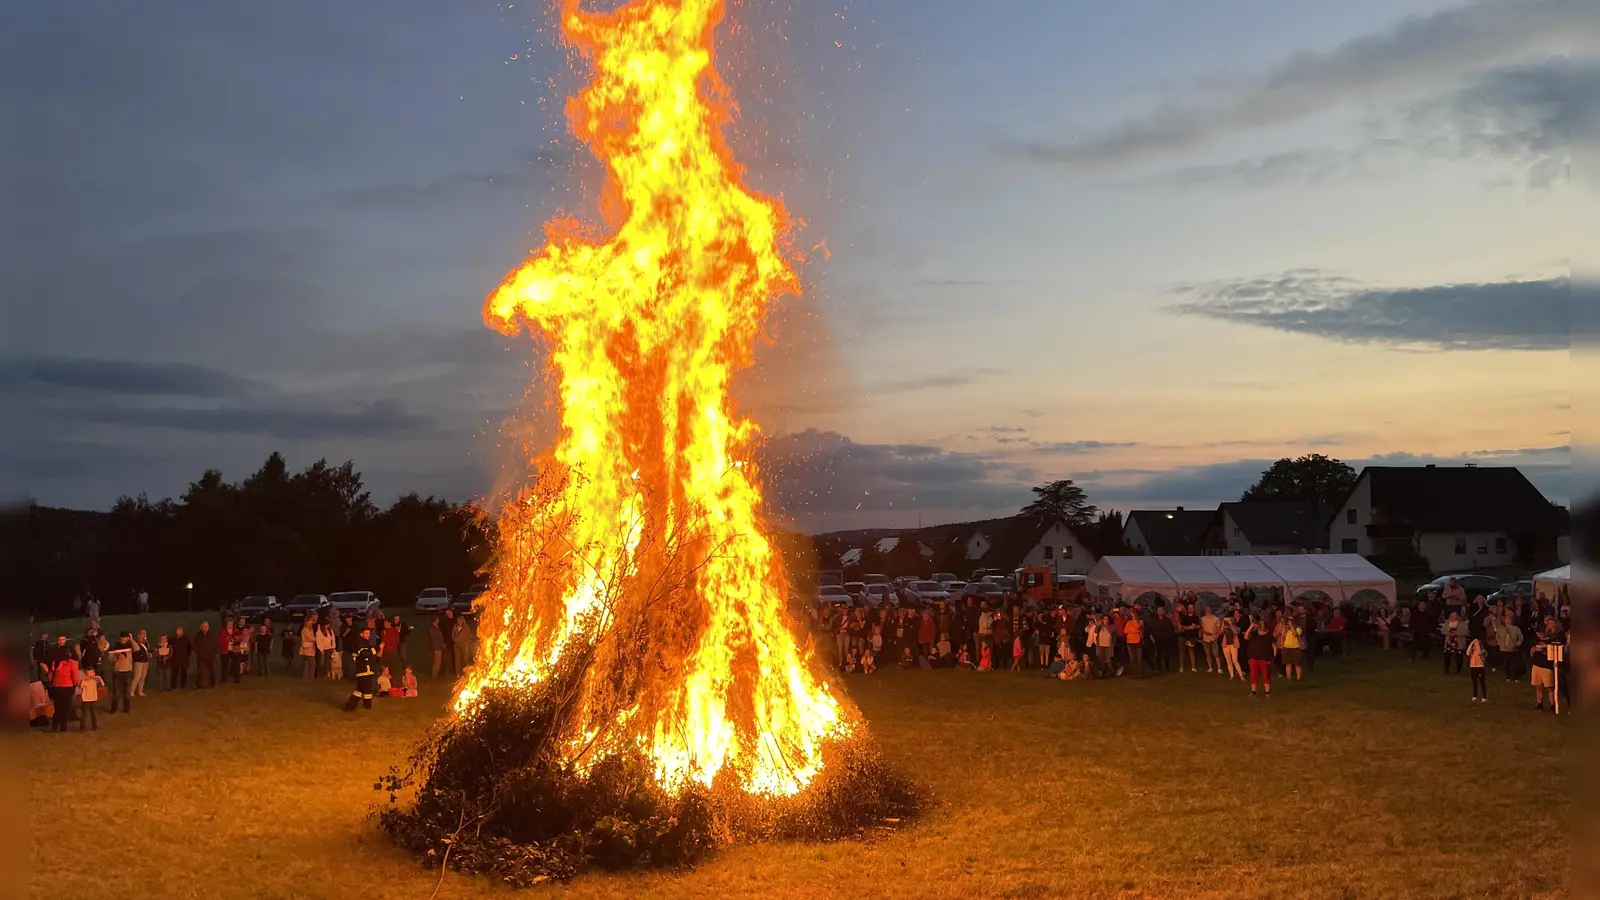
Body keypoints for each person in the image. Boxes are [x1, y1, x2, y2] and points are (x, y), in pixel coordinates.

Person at [344, 628, 381, 713]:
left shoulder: (365, 643)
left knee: (360, 690)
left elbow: (369, 654)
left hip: (365, 671)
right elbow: (365, 654)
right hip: (362, 671)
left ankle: (350, 707)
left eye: (369, 633)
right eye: (366, 633)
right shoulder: (359, 644)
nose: (368, 635)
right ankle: (367, 708)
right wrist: (376, 649)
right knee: (367, 689)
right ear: (361, 634)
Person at [47, 642, 79, 732]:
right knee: (65, 707)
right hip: (68, 687)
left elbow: (50, 675)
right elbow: (75, 676)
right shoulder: (72, 663)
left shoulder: (55, 663)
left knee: (57, 707)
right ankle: (63, 727)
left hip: (56, 686)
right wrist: (75, 683)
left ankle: (54, 726)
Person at [1245, 616, 1275, 698]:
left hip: (1265, 658)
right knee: (1253, 675)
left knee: (1266, 675)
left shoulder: (1269, 636)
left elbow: (1274, 647)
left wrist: (1272, 658)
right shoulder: (1254, 634)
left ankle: (1267, 692)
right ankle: (1253, 692)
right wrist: (1250, 627)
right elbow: (1246, 637)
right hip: (1253, 657)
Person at [106, 633, 134, 714]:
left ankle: (126, 709)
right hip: (118, 672)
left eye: (125, 640)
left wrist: (132, 640)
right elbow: (111, 660)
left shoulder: (130, 646)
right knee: (116, 692)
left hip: (128, 671)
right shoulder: (115, 647)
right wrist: (116, 657)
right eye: (122, 639)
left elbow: (137, 649)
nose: (123, 641)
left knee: (127, 692)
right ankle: (114, 709)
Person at [1276, 613, 1305, 681]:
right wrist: (1282, 645)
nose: (1289, 620)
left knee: (1297, 664)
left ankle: (1298, 678)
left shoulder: (1298, 628)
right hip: (1287, 647)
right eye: (1288, 619)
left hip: (1296, 648)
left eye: (1291, 619)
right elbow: (1282, 636)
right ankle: (1289, 677)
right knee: (1288, 663)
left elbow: (1295, 634)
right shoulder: (1286, 628)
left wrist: (1291, 626)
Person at [193, 621, 219, 688]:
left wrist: (216, 653)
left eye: (206, 626)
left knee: (212, 670)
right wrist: (199, 652)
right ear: (201, 627)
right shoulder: (198, 636)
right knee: (200, 672)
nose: (205, 628)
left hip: (211, 655)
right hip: (201, 656)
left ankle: (212, 684)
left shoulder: (213, 635)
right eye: (204, 626)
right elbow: (195, 646)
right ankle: (200, 685)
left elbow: (216, 644)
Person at [78, 665, 104, 730]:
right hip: (86, 700)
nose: (89, 675)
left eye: (91, 673)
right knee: (84, 714)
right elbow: (80, 687)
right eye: (88, 673)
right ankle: (83, 727)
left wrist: (99, 677)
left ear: (94, 673)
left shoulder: (95, 680)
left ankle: (95, 726)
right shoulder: (85, 680)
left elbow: (103, 684)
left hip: (93, 699)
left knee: (94, 714)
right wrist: (83, 679)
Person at [1466, 634, 1488, 702]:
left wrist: (1483, 654)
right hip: (1475, 665)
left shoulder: (1480, 645)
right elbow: (1468, 653)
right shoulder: (1474, 644)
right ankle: (1477, 696)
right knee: (1476, 682)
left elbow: (1484, 654)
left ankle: (1481, 696)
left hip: (1478, 665)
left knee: (1479, 682)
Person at [1200, 605, 1222, 673]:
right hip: (1205, 638)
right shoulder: (1202, 619)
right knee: (1207, 654)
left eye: (1208, 609)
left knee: (1216, 654)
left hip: (1213, 638)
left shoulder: (1216, 618)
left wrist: (1216, 636)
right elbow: (1201, 629)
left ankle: (1219, 668)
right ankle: (1210, 668)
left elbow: (1218, 629)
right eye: (1206, 610)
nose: (1207, 611)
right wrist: (1205, 632)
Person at [1123, 610, 1144, 678]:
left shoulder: (1140, 622)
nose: (1133, 616)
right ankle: (1134, 674)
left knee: (1139, 659)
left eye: (1134, 615)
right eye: (1132, 615)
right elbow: (1125, 631)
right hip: (1130, 642)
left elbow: (1138, 627)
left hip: (1138, 642)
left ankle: (1139, 674)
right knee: (1132, 659)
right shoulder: (1128, 622)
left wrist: (1133, 628)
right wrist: (1135, 631)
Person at [169, 626, 192, 690]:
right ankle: (173, 687)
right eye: (178, 630)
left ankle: (183, 686)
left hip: (183, 659)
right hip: (174, 659)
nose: (179, 632)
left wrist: (186, 655)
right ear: (176, 631)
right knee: (174, 673)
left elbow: (189, 648)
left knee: (183, 673)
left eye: (180, 630)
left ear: (182, 631)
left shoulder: (186, 638)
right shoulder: (172, 639)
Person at [130, 630, 151, 696]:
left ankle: (140, 691)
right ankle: (131, 692)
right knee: (137, 677)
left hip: (145, 662)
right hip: (138, 662)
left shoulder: (146, 643)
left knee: (143, 677)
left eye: (145, 634)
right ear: (139, 635)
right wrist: (131, 638)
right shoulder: (136, 643)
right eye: (142, 634)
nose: (144, 635)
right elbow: (136, 649)